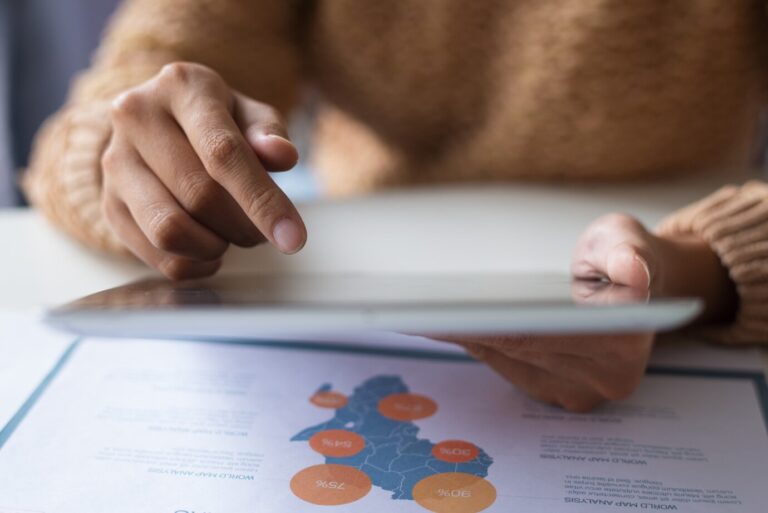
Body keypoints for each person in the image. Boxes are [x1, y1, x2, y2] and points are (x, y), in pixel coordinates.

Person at [22, 0, 768, 411]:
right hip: (354, 284)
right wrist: (128, 158)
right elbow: (139, 76)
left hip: (695, 312)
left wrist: (705, 269)